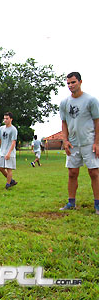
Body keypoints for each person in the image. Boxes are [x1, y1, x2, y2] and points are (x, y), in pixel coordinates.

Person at [59, 72, 99, 214]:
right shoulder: (64, 103)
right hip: (73, 144)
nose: (70, 85)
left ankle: (97, 205)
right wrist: (65, 140)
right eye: (68, 83)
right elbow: (64, 122)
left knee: (94, 173)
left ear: (80, 82)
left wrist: (97, 142)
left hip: (89, 142)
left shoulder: (91, 100)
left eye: (73, 82)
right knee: (72, 173)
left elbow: (97, 121)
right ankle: (71, 202)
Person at [0, 112, 18, 190]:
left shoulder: (13, 129)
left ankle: (8, 185)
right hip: (2, 151)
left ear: (11, 119)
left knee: (9, 169)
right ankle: (11, 180)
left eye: (7, 118)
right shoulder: (1, 128)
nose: (5, 120)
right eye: (4, 118)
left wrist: (9, 153)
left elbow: (13, 142)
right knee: (0, 167)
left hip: (10, 153)